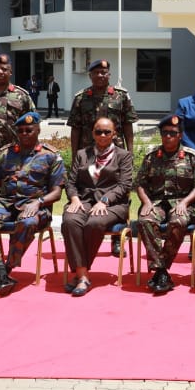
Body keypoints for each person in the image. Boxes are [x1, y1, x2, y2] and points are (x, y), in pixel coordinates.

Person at [0, 112, 65, 295]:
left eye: (29, 130)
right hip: (5, 202)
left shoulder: (51, 156)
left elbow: (57, 192)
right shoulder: (5, 153)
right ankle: (0, 272)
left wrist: (39, 202)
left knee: (28, 222)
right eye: (21, 130)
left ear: (38, 130)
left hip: (35, 205)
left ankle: (6, 269)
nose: (24, 133)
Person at [61, 116, 133, 297]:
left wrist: (105, 200)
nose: (102, 135)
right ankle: (83, 275)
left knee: (94, 223)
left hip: (113, 205)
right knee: (70, 221)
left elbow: (124, 185)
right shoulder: (82, 154)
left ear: (114, 134)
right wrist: (75, 199)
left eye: (107, 132)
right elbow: (70, 183)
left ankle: (80, 273)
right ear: (92, 133)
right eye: (98, 131)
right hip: (84, 201)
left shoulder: (123, 156)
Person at [134, 115, 195, 295]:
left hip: (183, 203)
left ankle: (160, 270)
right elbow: (140, 183)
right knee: (144, 220)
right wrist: (146, 202)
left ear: (180, 135)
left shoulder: (191, 157)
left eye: (172, 133)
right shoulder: (151, 157)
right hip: (157, 202)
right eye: (164, 133)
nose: (168, 137)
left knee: (178, 222)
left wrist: (185, 202)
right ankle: (162, 271)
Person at [68, 58, 137, 154]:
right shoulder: (81, 98)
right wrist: (74, 157)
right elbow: (75, 128)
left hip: (115, 151)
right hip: (88, 152)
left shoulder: (122, 96)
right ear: (90, 76)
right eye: (96, 72)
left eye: (103, 72)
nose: (100, 75)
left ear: (109, 75)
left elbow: (128, 125)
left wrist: (130, 153)